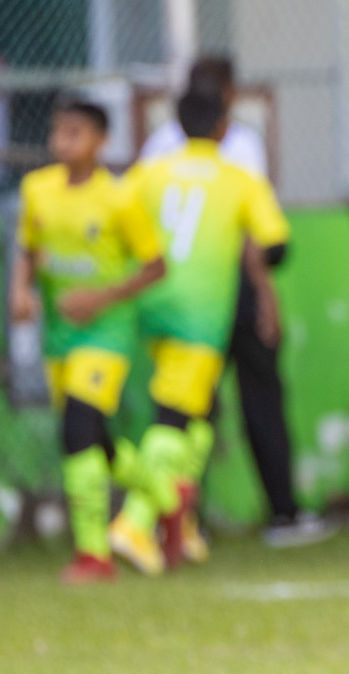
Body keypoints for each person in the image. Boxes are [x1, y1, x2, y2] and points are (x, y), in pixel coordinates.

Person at [140, 56, 328, 548]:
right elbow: (255, 235)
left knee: (183, 406)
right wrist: (266, 297)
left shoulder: (157, 151)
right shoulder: (237, 146)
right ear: (224, 101)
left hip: (167, 291)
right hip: (227, 286)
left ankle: (178, 521)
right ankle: (282, 515)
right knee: (259, 398)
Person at [107, 90, 291, 573]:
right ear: (223, 127)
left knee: (200, 410)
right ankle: (135, 519)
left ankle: (181, 525)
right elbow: (276, 245)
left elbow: (115, 212)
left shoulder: (151, 170)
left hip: (150, 300)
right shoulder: (239, 179)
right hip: (200, 313)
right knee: (176, 414)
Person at [10, 100, 166, 584]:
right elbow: (29, 250)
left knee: (77, 430)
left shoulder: (119, 199)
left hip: (106, 333)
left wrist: (101, 297)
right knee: (98, 442)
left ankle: (93, 555)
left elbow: (155, 266)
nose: (63, 141)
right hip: (59, 336)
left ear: (101, 140)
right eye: (58, 132)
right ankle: (165, 493)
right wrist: (20, 290)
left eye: (75, 132)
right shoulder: (38, 189)